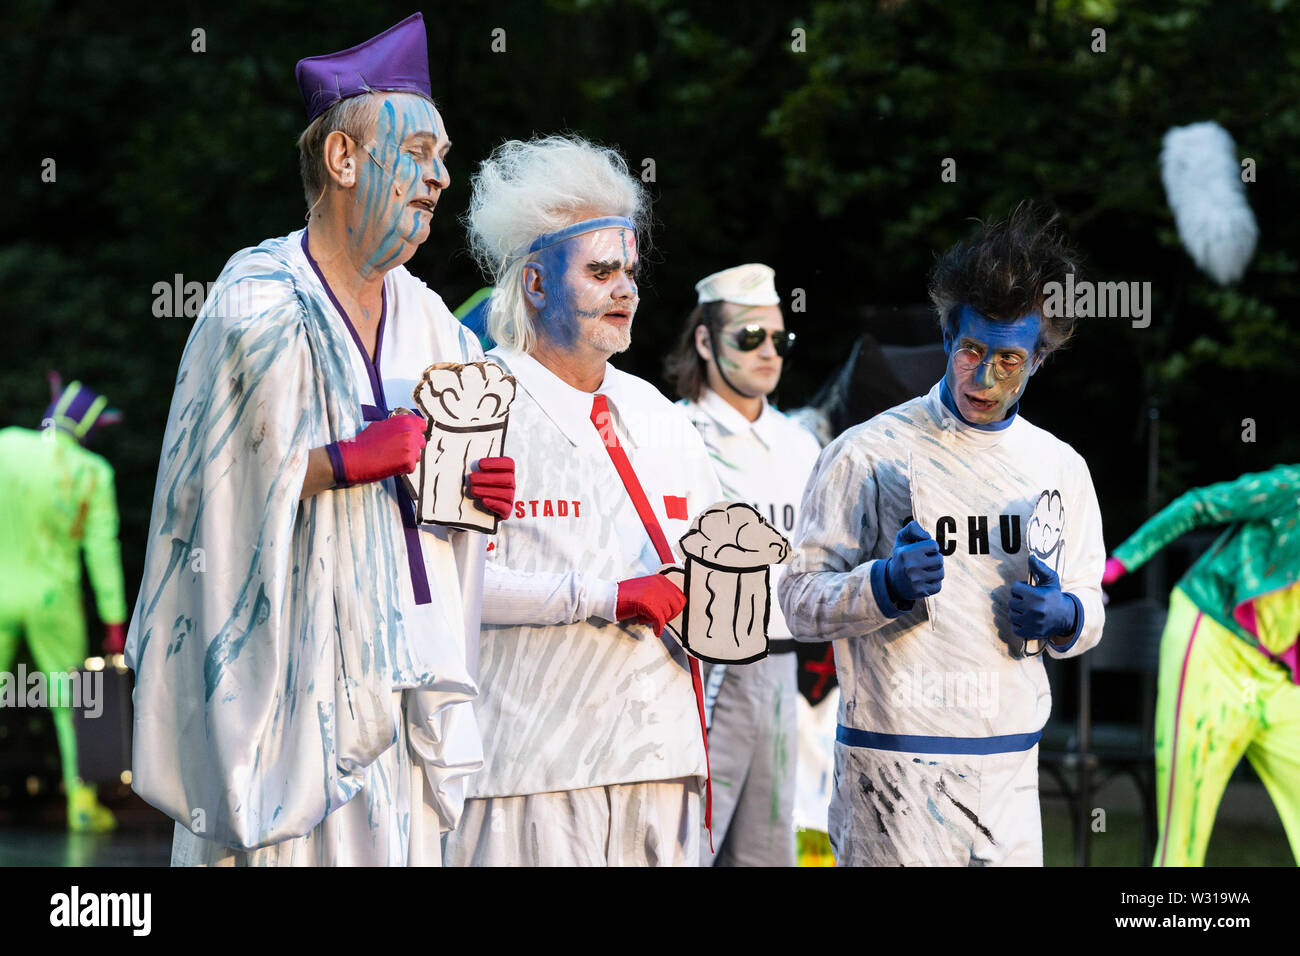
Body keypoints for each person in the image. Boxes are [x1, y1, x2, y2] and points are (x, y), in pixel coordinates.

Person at [126, 13, 513, 866]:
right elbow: (201, 489)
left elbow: (436, 512)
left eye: (444, 161)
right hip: (288, 697)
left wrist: (472, 503)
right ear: (342, 160)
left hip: (401, 686)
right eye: (418, 156)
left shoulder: (437, 327)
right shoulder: (254, 299)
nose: (440, 180)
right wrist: (342, 462)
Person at [779, 205, 1106, 866]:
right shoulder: (863, 455)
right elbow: (798, 601)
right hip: (888, 774)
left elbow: (1090, 603)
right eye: (972, 351)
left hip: (1009, 773)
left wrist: (1067, 613)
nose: (985, 377)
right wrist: (884, 585)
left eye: (1008, 359)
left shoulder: (1060, 468)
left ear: (1039, 359)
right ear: (948, 335)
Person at [442, 135, 723, 867]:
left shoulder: (665, 416)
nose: (625, 290)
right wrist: (606, 595)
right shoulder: (475, 402)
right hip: (527, 773)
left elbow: (719, 576)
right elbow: (450, 587)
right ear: (535, 283)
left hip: (661, 766)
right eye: (600, 272)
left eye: (629, 271)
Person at [664, 263, 821, 866]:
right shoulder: (672, 432)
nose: (768, 353)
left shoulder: (799, 443)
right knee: (686, 847)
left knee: (769, 853)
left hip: (784, 668)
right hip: (701, 669)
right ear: (705, 341)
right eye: (749, 337)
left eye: (779, 339)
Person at [1103, 465, 1299, 865]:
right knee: (1184, 836)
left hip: (1278, 675)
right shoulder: (1291, 488)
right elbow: (1198, 505)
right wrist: (1114, 568)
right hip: (1213, 641)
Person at [0, 377, 126, 832]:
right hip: (55, 600)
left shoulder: (6, 446)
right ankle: (82, 805)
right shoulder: (93, 472)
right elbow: (102, 549)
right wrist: (114, 619)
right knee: (72, 703)